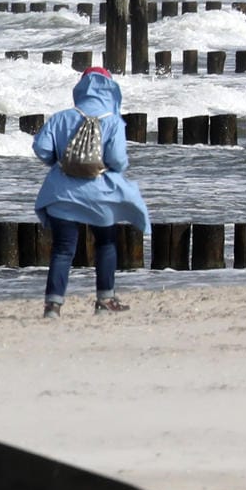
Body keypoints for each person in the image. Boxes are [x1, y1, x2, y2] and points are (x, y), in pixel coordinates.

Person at [32, 67, 150, 318]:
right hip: (101, 197)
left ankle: (53, 306)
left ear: (81, 88)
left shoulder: (61, 117)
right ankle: (105, 300)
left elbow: (42, 149)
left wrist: (61, 162)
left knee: (63, 249)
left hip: (61, 194)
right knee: (106, 243)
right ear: (110, 90)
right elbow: (117, 159)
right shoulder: (113, 121)